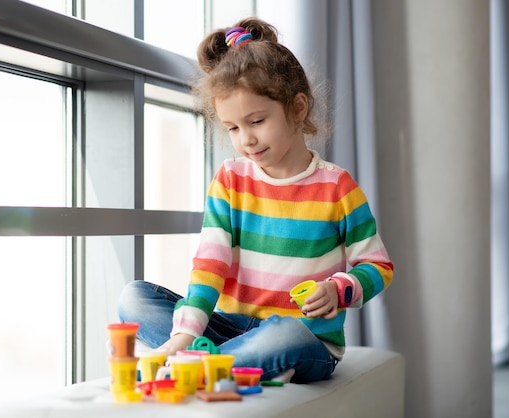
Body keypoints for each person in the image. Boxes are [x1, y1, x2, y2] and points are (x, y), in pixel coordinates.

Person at [118, 17, 394, 384]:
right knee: (134, 299)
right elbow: (210, 264)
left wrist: (338, 289)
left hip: (304, 338)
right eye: (233, 127)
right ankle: (229, 361)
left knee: (289, 335)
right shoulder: (230, 179)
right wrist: (184, 334)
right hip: (232, 328)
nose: (245, 139)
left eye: (257, 121)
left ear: (298, 108)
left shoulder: (337, 186)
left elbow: (378, 266)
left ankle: (210, 366)